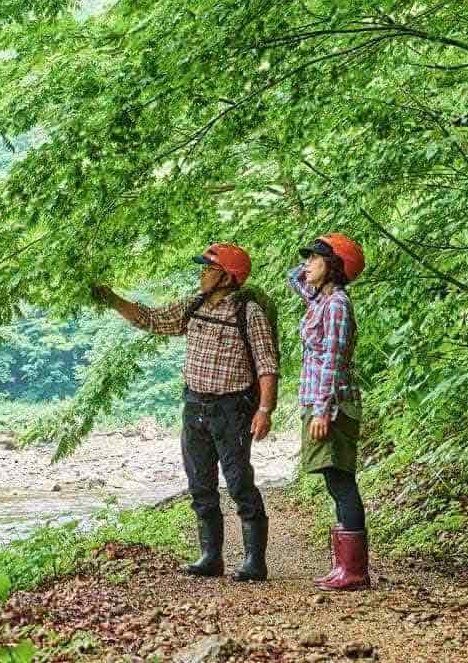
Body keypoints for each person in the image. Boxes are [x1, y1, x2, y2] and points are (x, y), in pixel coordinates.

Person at [93, 243, 279, 581]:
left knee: (238, 482)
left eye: (208, 269)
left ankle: (255, 561)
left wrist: (265, 409)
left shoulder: (247, 312)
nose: (202, 273)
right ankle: (211, 557)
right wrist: (113, 300)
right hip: (194, 406)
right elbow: (152, 319)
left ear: (227, 276)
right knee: (200, 482)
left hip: (232, 408)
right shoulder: (194, 305)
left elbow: (267, 364)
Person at [288, 233, 370, 591]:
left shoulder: (336, 304)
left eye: (316, 259)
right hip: (320, 402)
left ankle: (354, 571)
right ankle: (344, 567)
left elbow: (333, 361)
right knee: (333, 481)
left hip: (332, 404)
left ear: (334, 267)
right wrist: (312, 267)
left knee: (340, 480)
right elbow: (294, 277)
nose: (307, 265)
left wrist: (322, 411)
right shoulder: (319, 298)